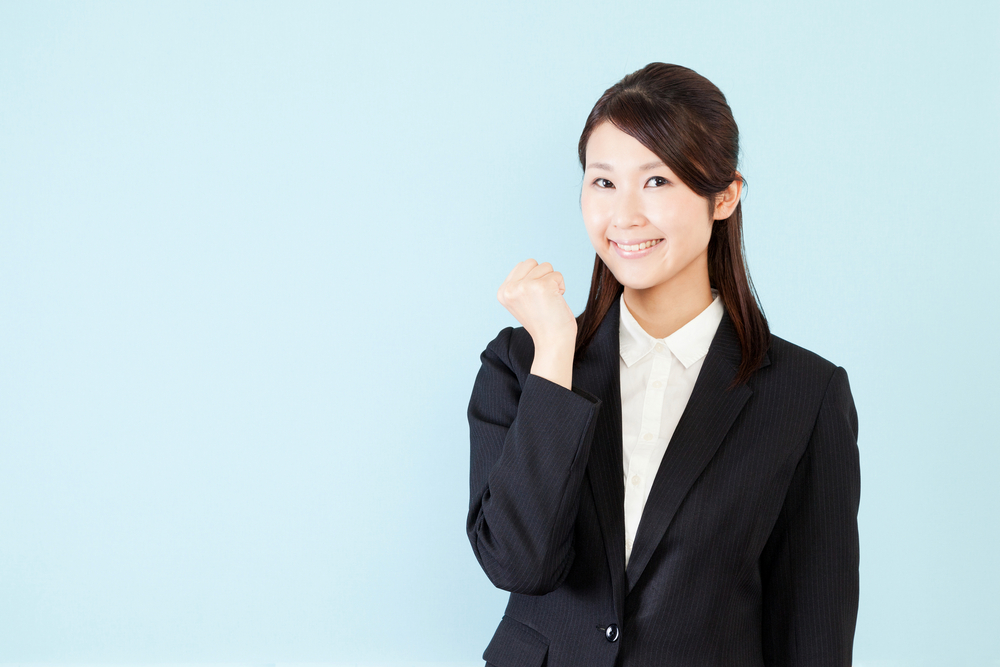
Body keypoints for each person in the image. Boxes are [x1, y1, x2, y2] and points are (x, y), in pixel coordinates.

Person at [466, 62, 861, 667]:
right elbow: (520, 565)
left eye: (656, 181)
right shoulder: (523, 365)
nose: (624, 215)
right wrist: (555, 353)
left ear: (724, 196)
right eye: (603, 182)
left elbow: (814, 631)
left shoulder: (805, 395)